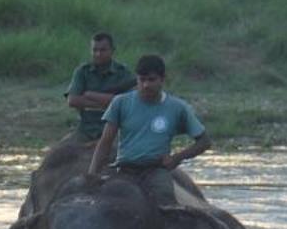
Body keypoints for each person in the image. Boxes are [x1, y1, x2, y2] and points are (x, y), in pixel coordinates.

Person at [88, 53, 210, 208]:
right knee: (106, 207)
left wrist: (177, 158)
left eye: (151, 80)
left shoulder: (177, 108)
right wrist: (92, 175)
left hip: (156, 170)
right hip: (125, 169)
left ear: (162, 79)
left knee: (166, 206)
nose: (146, 85)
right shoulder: (120, 103)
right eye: (142, 80)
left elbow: (204, 142)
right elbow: (105, 142)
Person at [59, 31, 136, 151]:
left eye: (103, 50)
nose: (98, 54)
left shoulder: (123, 73)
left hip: (114, 130)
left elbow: (128, 103)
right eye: (95, 50)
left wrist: (90, 95)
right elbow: (72, 100)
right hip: (85, 129)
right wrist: (109, 102)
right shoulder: (82, 71)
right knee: (59, 153)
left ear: (112, 50)